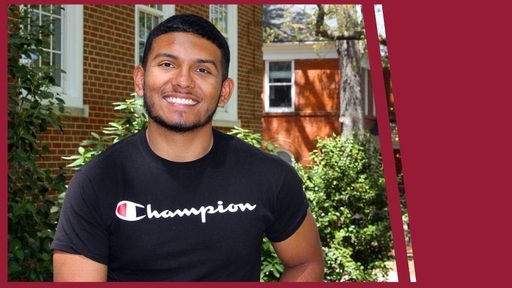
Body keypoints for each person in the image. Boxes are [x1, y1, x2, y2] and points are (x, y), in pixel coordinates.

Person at [51, 13, 325, 282]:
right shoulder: (97, 183)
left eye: (202, 69)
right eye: (168, 64)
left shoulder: (268, 176)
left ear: (224, 92)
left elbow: (306, 261)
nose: (183, 81)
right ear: (140, 79)